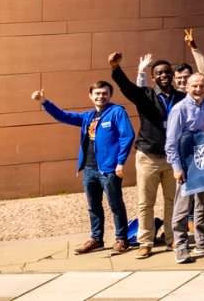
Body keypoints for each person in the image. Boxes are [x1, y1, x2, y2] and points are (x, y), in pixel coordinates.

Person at [34, 83, 135, 256]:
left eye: (105, 93)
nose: (101, 96)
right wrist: (44, 101)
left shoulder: (117, 112)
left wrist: (120, 162)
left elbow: (128, 136)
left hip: (108, 170)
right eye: (97, 93)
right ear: (90, 96)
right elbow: (63, 116)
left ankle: (121, 240)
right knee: (93, 206)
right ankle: (96, 239)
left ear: (110, 95)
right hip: (89, 169)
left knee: (116, 205)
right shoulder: (88, 116)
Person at [108, 52, 183, 259]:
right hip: (149, 156)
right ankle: (146, 242)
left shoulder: (181, 98)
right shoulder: (145, 95)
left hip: (173, 158)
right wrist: (115, 68)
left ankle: (172, 238)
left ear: (173, 75)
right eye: (159, 73)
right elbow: (127, 88)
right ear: (153, 78)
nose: (164, 75)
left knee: (173, 201)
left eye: (167, 72)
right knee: (146, 202)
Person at [165, 73, 204, 263]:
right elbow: (171, 143)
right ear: (187, 87)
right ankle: (181, 245)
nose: (198, 89)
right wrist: (176, 167)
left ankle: (203, 241)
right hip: (186, 163)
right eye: (194, 86)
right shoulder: (180, 109)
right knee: (182, 208)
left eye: (201, 85)